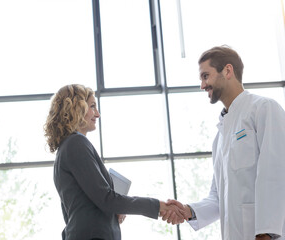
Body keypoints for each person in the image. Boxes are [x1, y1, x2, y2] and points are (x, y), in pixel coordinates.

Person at [163, 46, 285, 240]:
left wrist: (265, 233)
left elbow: (277, 174)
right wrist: (188, 211)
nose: (202, 85)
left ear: (227, 71)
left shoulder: (264, 109)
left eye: (205, 76)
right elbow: (218, 198)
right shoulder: (220, 138)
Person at [44, 84, 184, 240]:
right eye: (92, 107)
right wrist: (158, 206)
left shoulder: (67, 147)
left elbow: (84, 206)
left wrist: (115, 208)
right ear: (77, 108)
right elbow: (107, 200)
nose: (97, 114)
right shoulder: (76, 144)